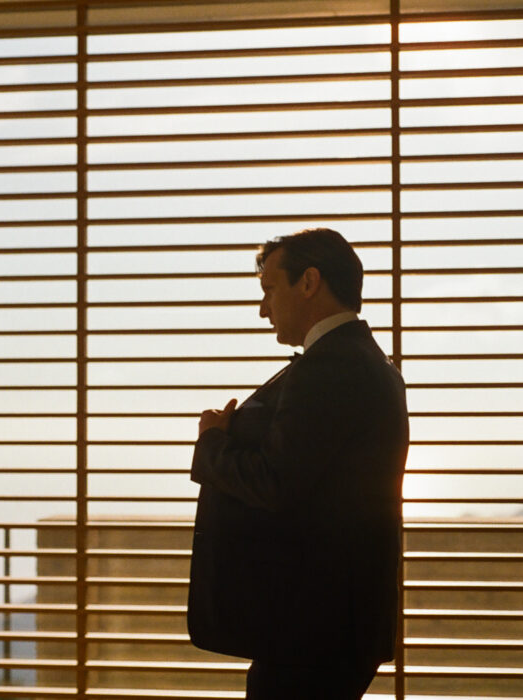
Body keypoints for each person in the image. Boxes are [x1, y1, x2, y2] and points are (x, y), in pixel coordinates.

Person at [188, 228, 409, 700]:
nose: (263, 309)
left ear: (309, 282)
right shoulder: (370, 363)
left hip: (313, 630)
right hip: (334, 626)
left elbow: (278, 481)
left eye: (270, 289)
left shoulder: (330, 368)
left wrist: (211, 445)